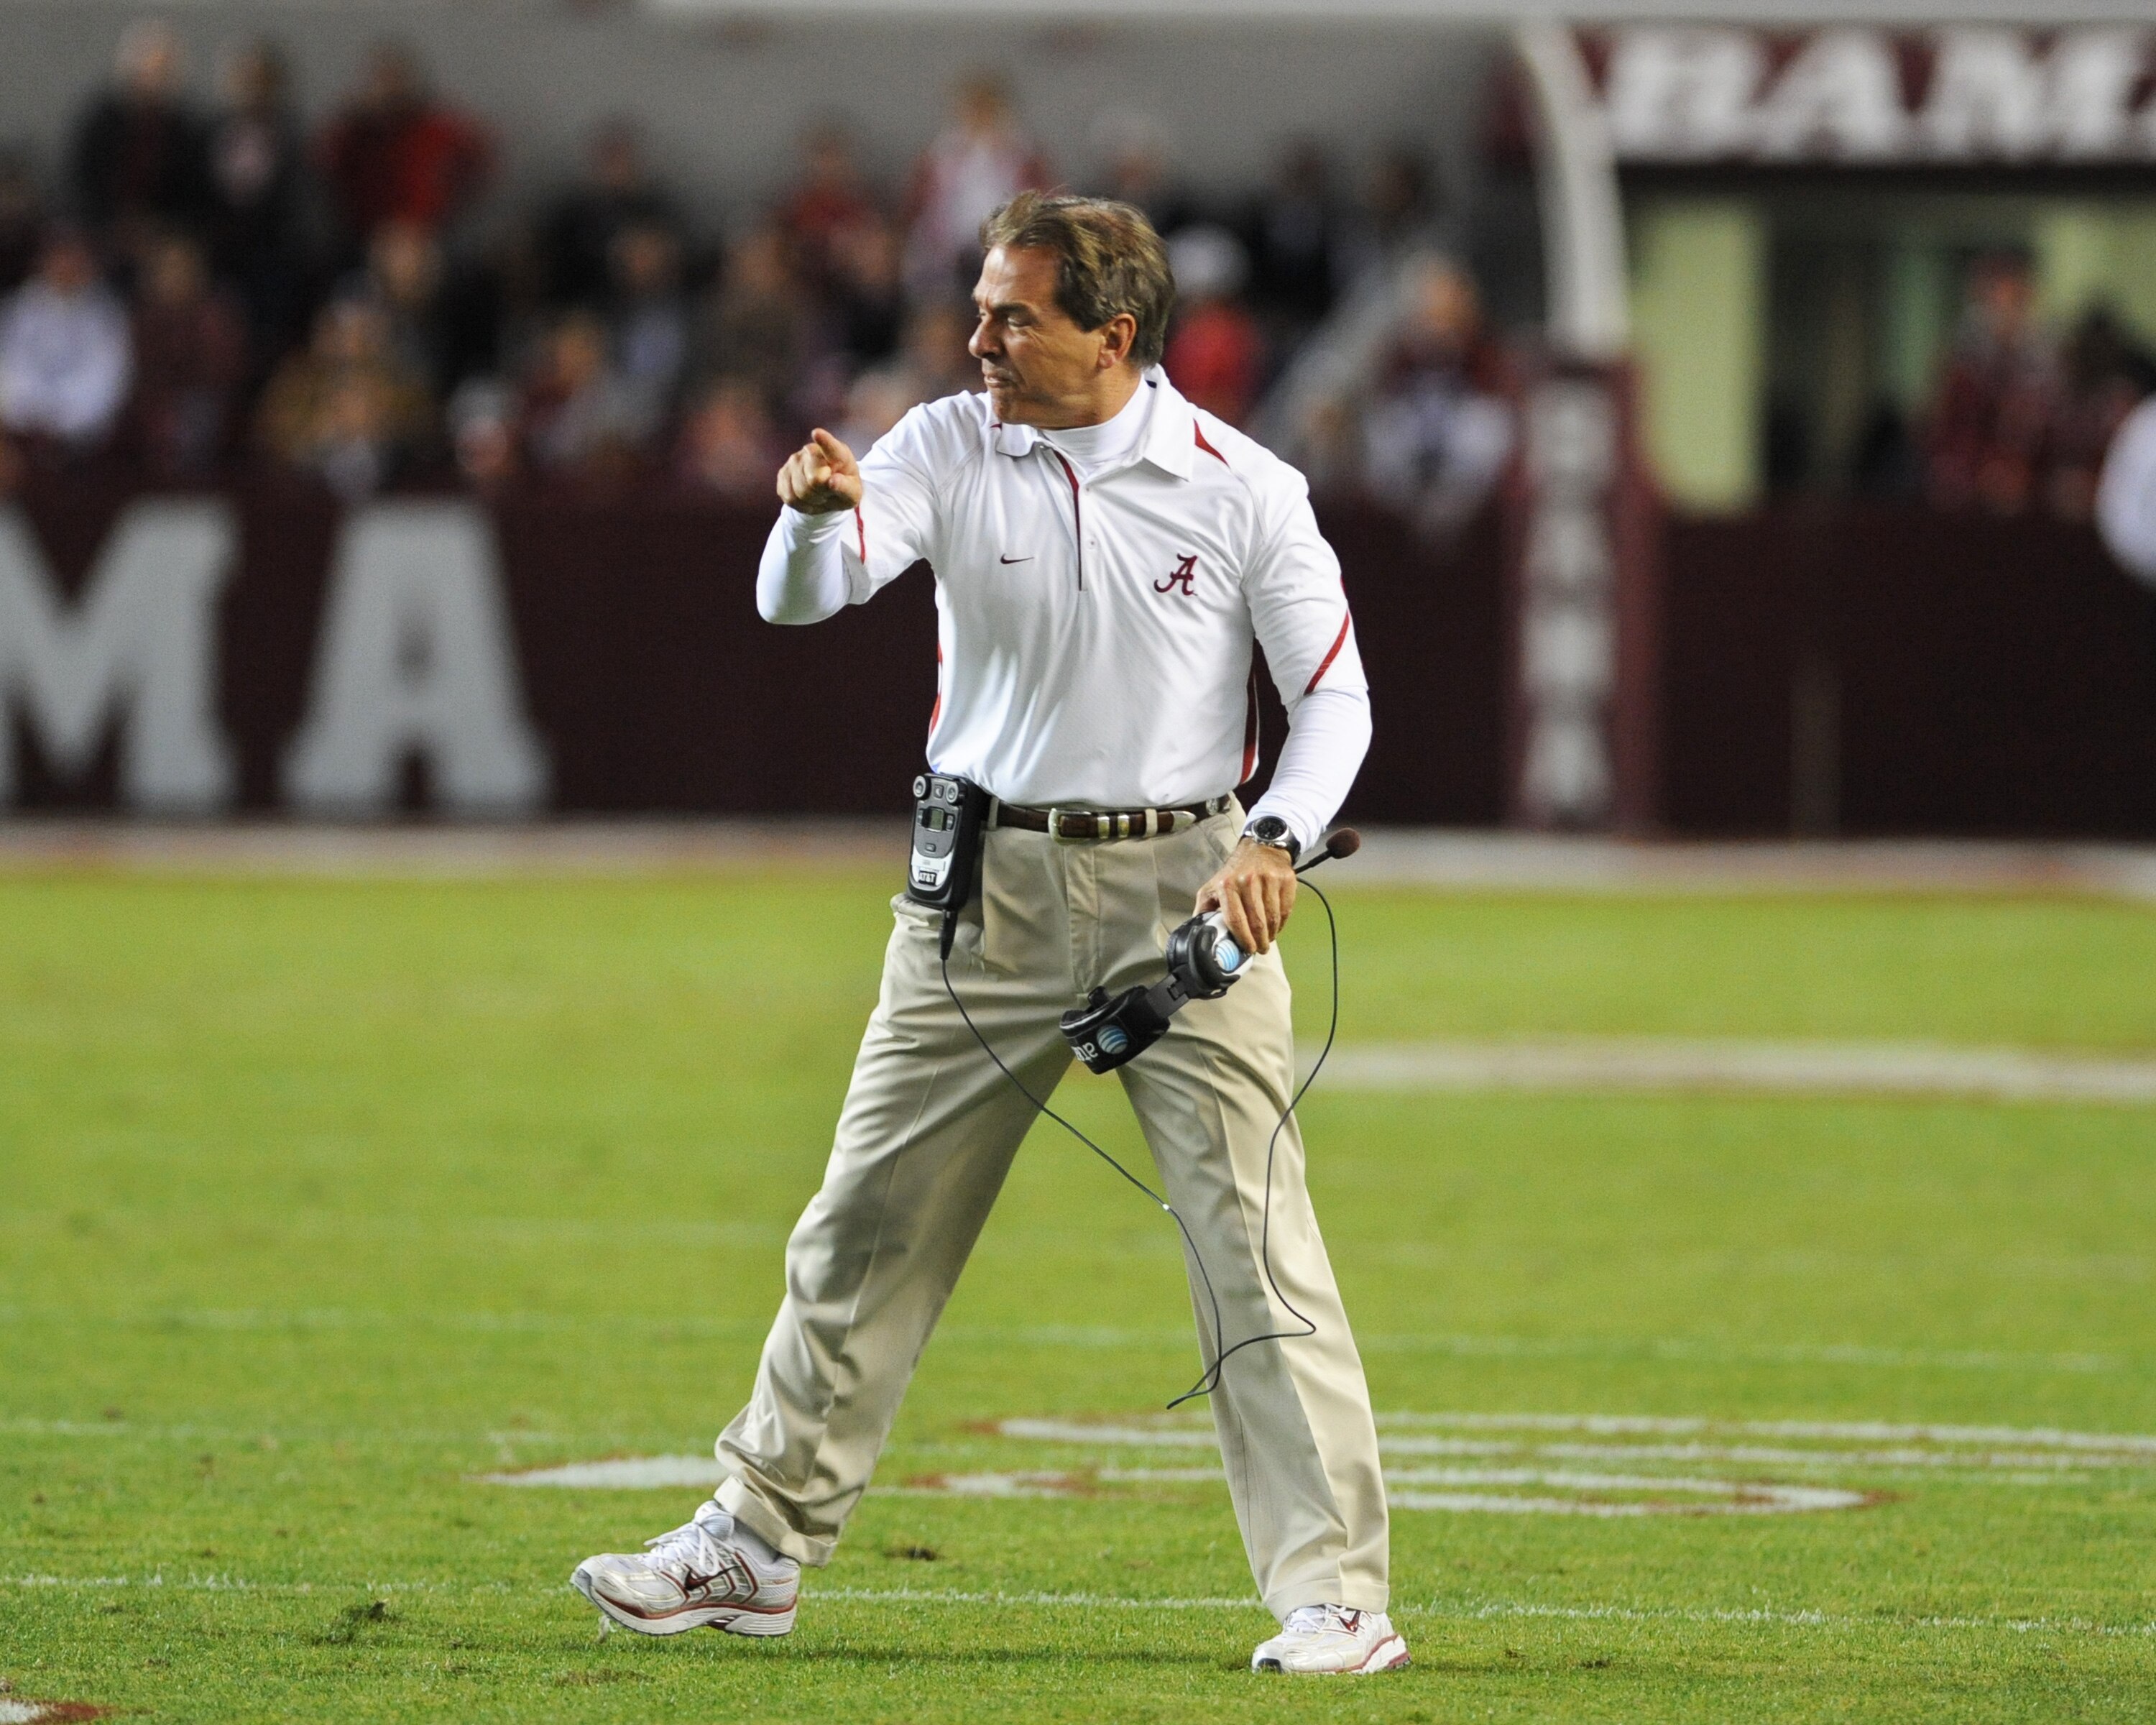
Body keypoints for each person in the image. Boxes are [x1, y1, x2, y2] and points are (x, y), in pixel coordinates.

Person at [571, 191, 1405, 1679]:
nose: (978, 338)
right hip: (984, 898)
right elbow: (803, 602)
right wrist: (807, 517)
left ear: (1114, 333)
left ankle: (1336, 1596)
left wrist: (1275, 840)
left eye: (1013, 315)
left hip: (1184, 894)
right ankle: (754, 1548)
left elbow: (1333, 696)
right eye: (980, 305)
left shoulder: (1243, 486)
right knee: (863, 1226)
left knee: (1254, 1248)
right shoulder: (948, 441)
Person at [315, 42, 491, 257]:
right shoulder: (356, 133)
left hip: (427, 236)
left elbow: (481, 157)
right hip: (365, 237)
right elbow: (323, 161)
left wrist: (445, 204)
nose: (390, 91)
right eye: (382, 82)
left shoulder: (437, 128)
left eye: (396, 81)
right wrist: (352, 117)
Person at [69, 20, 208, 254]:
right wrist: (113, 223)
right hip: (101, 229)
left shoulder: (185, 131)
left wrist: (157, 226)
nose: (154, 80)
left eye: (164, 71)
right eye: (148, 69)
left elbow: (191, 192)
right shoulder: (101, 122)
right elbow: (83, 179)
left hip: (163, 238)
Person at [0, 229, 133, 454]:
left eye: (75, 260)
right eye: (59, 259)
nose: (66, 267)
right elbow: (9, 366)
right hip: (22, 431)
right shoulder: (18, 309)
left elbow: (108, 375)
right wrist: (33, 414)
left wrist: (64, 420)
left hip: (83, 437)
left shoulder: (106, 314)